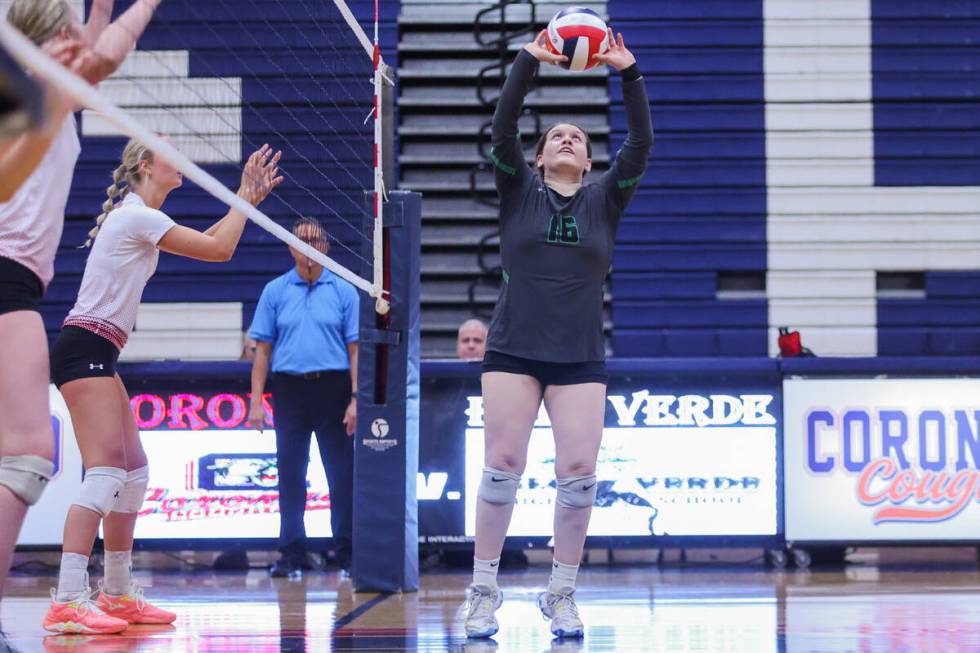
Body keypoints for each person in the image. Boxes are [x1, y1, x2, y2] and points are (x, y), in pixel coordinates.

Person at [43, 139, 282, 635]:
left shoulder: (142, 218)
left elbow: (214, 238)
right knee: (107, 471)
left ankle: (117, 593)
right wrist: (241, 197)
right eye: (172, 152)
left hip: (99, 350)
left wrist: (244, 203)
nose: (184, 160)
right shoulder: (135, 217)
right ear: (147, 166)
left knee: (133, 472)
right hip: (83, 345)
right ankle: (67, 598)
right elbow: (220, 250)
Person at [459, 29, 653, 639]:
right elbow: (500, 128)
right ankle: (482, 592)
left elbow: (642, 143)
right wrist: (528, 60)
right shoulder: (517, 188)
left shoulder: (606, 200)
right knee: (503, 466)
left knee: (578, 473)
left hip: (578, 358)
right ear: (539, 157)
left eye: (577, 136)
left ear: (590, 161)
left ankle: (560, 594)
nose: (566, 138)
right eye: (554, 137)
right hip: (513, 350)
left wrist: (629, 72)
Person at [0, 0, 160, 632]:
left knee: (29, 454)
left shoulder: (51, 89)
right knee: (29, 455)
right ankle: (66, 598)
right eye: (71, 29)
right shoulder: (20, 91)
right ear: (48, 40)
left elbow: (107, 50)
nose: (84, 42)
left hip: (19, 285)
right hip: (5, 275)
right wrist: (51, 108)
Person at [247, 218, 359, 578]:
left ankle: (348, 555)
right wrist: (255, 402)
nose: (309, 246)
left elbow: (355, 350)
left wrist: (357, 398)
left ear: (326, 246)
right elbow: (262, 350)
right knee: (291, 475)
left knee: (341, 476)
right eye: (301, 240)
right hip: (290, 391)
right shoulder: (274, 291)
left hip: (334, 389)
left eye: (316, 239)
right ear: (291, 247)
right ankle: (291, 555)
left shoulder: (344, 291)